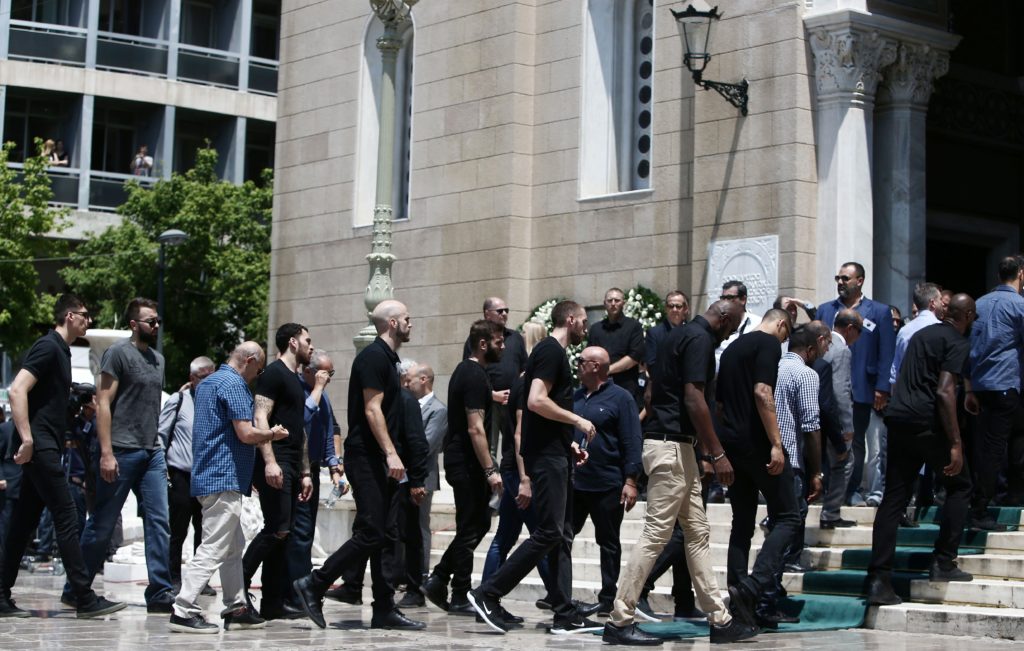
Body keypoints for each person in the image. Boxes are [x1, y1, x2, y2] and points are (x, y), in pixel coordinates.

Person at [603, 300, 755, 646]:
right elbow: (694, 399)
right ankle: (619, 619)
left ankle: (720, 619)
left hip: (676, 446)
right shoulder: (699, 340)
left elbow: (652, 393)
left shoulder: (673, 337)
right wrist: (716, 453)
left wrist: (697, 450)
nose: (729, 335)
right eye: (732, 328)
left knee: (697, 532)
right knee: (656, 533)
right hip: (670, 447)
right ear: (724, 319)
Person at [292, 300, 426, 631]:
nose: (411, 323)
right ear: (392, 323)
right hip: (367, 456)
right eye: (407, 319)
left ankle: (384, 608)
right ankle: (315, 583)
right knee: (372, 532)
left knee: (386, 534)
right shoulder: (373, 357)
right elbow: (371, 409)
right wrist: (391, 453)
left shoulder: (390, 359)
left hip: (381, 459)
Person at [468, 300, 598, 635]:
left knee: (562, 535)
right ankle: (488, 593)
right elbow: (536, 401)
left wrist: (568, 444)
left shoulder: (551, 352)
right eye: (584, 320)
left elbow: (541, 412)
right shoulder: (551, 351)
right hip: (546, 460)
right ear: (571, 319)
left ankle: (564, 612)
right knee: (550, 533)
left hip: (556, 453)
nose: (587, 326)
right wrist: (577, 421)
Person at [1, 294, 125, 619]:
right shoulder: (49, 346)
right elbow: (17, 389)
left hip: (45, 446)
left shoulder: (62, 350)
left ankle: (0, 594)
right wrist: (28, 439)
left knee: (23, 523)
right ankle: (84, 597)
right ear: (69, 316)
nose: (89, 320)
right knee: (67, 516)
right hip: (40, 447)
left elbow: (44, 400)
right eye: (85, 314)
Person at [168, 342, 290, 633]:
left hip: (210, 474)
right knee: (213, 546)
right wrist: (272, 434)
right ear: (250, 360)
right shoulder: (234, 384)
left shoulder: (208, 383)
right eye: (259, 369)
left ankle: (237, 608)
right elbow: (245, 433)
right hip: (224, 477)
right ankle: (183, 609)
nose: (257, 376)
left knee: (233, 546)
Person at [867, 294, 977, 604]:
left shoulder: (921, 334)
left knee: (894, 498)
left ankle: (878, 580)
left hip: (899, 418)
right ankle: (943, 562)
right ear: (968, 315)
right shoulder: (957, 342)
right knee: (960, 485)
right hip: (927, 422)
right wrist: (955, 443)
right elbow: (944, 392)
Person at [71, 297, 175, 612]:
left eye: (157, 321)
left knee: (159, 521)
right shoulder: (117, 354)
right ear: (133, 324)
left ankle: (159, 593)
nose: (156, 326)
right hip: (120, 450)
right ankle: (76, 588)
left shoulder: (158, 360)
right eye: (150, 321)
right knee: (102, 523)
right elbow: (103, 403)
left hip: (151, 452)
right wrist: (106, 452)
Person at [715, 308, 797, 631]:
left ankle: (738, 601)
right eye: (786, 333)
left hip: (732, 445)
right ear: (781, 323)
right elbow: (763, 391)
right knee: (789, 516)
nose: (784, 340)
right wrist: (776, 443)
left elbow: (719, 405)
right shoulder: (768, 344)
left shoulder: (732, 347)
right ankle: (753, 586)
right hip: (757, 445)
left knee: (742, 523)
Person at [424, 320, 505, 614]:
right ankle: (458, 592)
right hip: (467, 464)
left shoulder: (471, 373)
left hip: (466, 462)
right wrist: (490, 470)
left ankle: (441, 579)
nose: (503, 347)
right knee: (471, 527)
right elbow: (475, 428)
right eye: (498, 342)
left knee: (477, 524)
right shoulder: (472, 374)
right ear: (483, 344)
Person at [481, 322, 556, 606]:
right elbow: (519, 434)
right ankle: (557, 597)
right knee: (542, 536)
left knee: (506, 536)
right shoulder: (528, 385)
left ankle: (485, 595)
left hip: (513, 467)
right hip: (520, 470)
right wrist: (526, 479)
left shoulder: (520, 382)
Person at [243, 323, 315, 619]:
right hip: (277, 461)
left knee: (284, 533)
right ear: (293, 343)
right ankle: (238, 587)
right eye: (307, 340)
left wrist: (306, 472)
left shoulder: (295, 379)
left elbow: (300, 429)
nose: (311, 346)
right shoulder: (274, 373)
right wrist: (270, 462)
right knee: (277, 529)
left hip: (293, 464)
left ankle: (273, 602)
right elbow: (260, 416)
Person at [757, 324, 826, 623]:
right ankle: (765, 598)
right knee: (788, 530)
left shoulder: (771, 368)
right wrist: (817, 472)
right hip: (791, 461)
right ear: (809, 350)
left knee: (779, 526)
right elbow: (811, 426)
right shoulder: (806, 374)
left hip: (764, 458)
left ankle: (768, 591)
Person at [816, 262, 897, 508]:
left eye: (845, 278)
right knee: (825, 440)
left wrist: (882, 387)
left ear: (859, 281)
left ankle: (851, 490)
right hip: (827, 388)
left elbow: (887, 352)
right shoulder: (825, 310)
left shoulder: (879, 311)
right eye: (838, 278)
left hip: (863, 386)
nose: (840, 282)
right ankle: (826, 488)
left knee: (856, 441)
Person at [570, 346, 642, 618]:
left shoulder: (621, 398)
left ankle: (607, 598)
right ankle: (558, 594)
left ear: (596, 366)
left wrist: (631, 480)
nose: (577, 364)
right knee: (563, 536)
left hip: (607, 483)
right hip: (575, 483)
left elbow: (632, 440)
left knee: (608, 542)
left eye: (581, 361)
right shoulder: (575, 397)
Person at [965, 256, 1024, 527]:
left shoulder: (979, 303)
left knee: (988, 446)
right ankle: (980, 509)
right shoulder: (1019, 305)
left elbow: (967, 347)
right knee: (995, 449)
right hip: (1005, 384)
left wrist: (969, 388)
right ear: (1020, 274)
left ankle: (1008, 495)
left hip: (980, 386)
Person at [287, 349, 343, 609]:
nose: (328, 378)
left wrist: (334, 466)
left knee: (307, 532)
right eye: (324, 373)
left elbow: (328, 430)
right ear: (308, 371)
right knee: (299, 531)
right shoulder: (299, 390)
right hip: (299, 470)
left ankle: (302, 585)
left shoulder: (324, 396)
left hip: (314, 470)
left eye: (331, 373)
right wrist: (317, 389)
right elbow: (303, 420)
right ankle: (298, 591)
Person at [159, 356, 216, 594]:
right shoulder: (179, 400)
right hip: (180, 474)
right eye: (204, 377)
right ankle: (173, 577)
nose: (209, 382)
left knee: (203, 531)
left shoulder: (215, 403)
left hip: (205, 476)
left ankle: (199, 581)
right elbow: (162, 435)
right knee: (178, 529)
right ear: (192, 378)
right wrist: (162, 470)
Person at [398, 363, 447, 608]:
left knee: (419, 527)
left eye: (412, 380)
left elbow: (426, 444)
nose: (407, 384)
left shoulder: (438, 410)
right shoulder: (408, 405)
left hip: (422, 477)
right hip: (403, 476)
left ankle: (421, 576)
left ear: (425, 379)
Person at [463, 297, 528, 458]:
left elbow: (525, 369)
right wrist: (492, 394)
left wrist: (515, 393)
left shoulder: (515, 337)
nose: (504, 314)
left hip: (512, 402)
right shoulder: (475, 340)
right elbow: (471, 371)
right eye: (500, 311)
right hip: (489, 402)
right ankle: (491, 474)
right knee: (488, 447)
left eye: (506, 310)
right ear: (487, 314)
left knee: (514, 446)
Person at [819, 309, 862, 529]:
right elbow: (840, 390)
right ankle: (831, 512)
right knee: (844, 462)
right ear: (850, 329)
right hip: (832, 417)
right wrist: (847, 426)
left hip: (813, 414)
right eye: (860, 331)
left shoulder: (822, 344)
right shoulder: (842, 350)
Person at [588, 288, 646, 407]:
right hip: (600, 389)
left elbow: (634, 357)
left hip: (626, 389)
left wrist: (607, 370)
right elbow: (589, 356)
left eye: (617, 300)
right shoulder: (595, 329)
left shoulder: (634, 327)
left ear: (623, 303)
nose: (613, 303)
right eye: (610, 300)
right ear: (604, 303)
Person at [714, 281, 763, 368]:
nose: (725, 302)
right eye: (723, 298)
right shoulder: (716, 324)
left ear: (743, 300)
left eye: (729, 298)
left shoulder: (758, 323)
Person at [644, 291, 690, 370]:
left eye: (678, 306)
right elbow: (651, 364)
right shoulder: (654, 334)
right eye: (670, 306)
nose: (674, 309)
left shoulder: (694, 332)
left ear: (685, 309)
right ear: (666, 308)